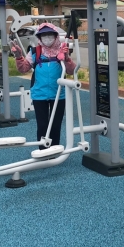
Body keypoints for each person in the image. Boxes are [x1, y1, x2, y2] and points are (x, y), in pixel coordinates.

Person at [10, 23, 75, 179]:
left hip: (58, 94)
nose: (47, 38)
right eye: (44, 35)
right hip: (39, 94)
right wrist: (18, 56)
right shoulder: (35, 52)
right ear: (39, 37)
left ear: (55, 37)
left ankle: (55, 151)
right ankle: (43, 151)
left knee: (56, 124)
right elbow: (23, 68)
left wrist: (66, 58)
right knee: (43, 124)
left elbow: (71, 70)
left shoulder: (62, 51)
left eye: (50, 35)